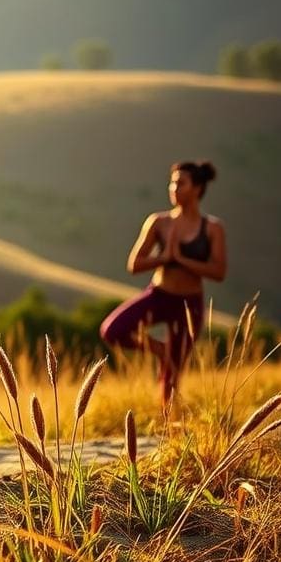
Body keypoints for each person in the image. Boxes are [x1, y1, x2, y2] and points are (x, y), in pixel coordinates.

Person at [100, 161, 227, 409]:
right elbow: (134, 264)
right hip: (158, 296)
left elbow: (219, 271)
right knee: (112, 330)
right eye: (172, 182)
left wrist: (183, 260)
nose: (173, 188)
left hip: (189, 305)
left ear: (198, 188)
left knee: (172, 377)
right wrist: (165, 259)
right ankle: (162, 350)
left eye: (181, 183)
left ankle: (167, 426)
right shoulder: (158, 222)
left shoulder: (212, 228)